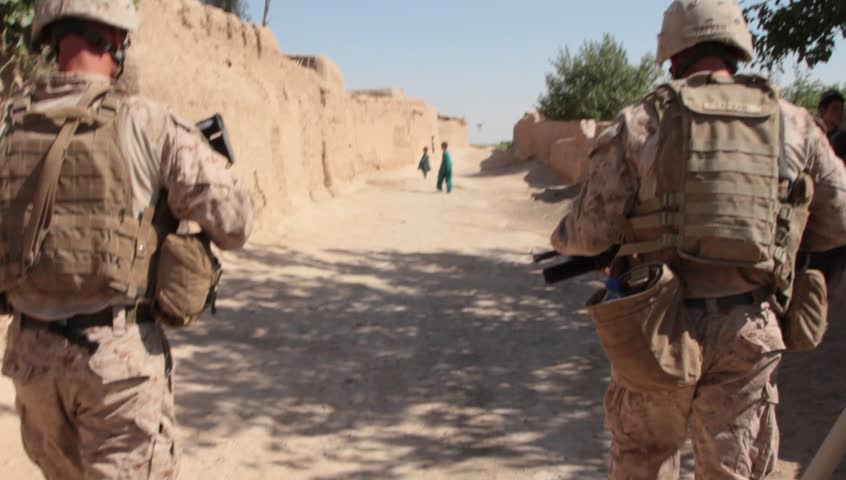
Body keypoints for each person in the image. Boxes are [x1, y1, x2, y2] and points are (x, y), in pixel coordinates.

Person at [549, 0, 846, 478]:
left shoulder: (641, 121)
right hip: (750, 327)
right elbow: (838, 221)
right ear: (736, 48)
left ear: (673, 55)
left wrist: (570, 237)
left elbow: (588, 233)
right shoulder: (795, 123)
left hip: (655, 325)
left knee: (644, 458)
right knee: (734, 468)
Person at [0, 1, 253, 479]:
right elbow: (236, 222)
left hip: (31, 359)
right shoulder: (145, 121)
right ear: (114, 41)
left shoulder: (7, 122)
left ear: (51, 40)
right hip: (115, 366)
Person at [818, 89, 846, 158]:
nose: (840, 112)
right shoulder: (813, 136)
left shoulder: (843, 138)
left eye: (842, 108)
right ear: (822, 111)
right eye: (835, 108)